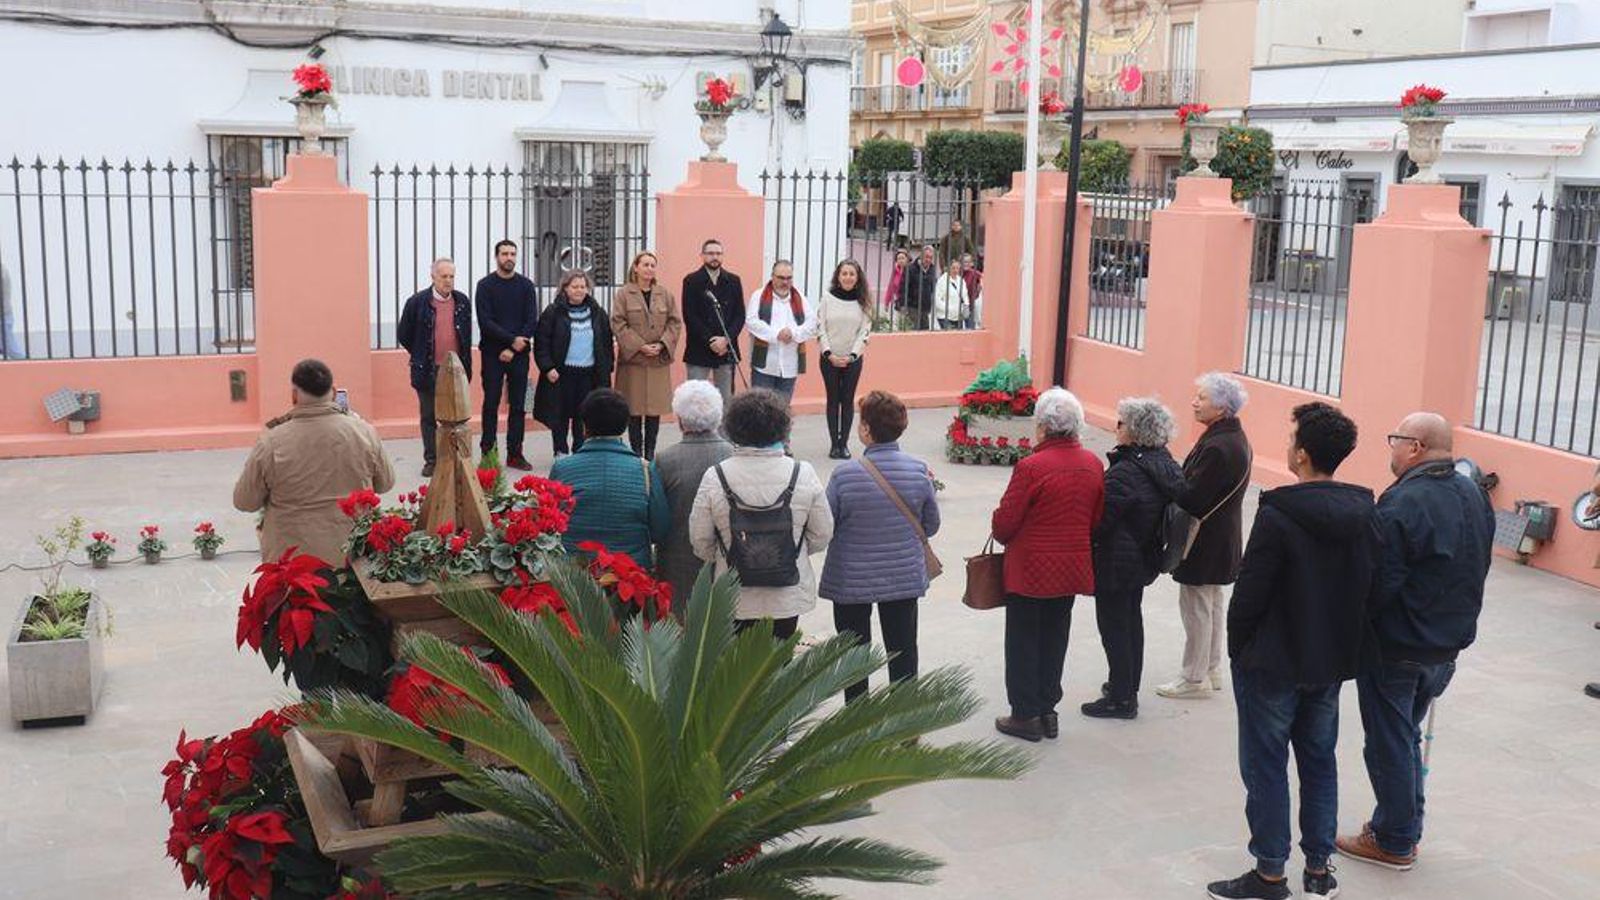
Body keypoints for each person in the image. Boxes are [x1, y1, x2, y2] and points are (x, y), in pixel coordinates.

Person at [1206, 402, 1378, 900]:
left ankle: (1270, 873)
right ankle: (1319, 870)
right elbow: (1378, 585)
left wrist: (1240, 649)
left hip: (1273, 664)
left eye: (1291, 438)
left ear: (1301, 454)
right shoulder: (1366, 511)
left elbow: (1250, 592)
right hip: (1327, 663)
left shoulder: (1279, 512)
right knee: (1319, 761)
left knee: (1265, 764)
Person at [1335, 412, 1495, 872]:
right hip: (1445, 644)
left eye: (1395, 440)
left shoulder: (1405, 501)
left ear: (1416, 447)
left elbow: (1379, 580)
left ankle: (1394, 839)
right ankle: (1401, 825)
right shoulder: (1472, 492)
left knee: (1388, 741)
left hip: (1401, 646)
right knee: (1402, 736)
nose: (1392, 449)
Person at [991, 388, 1105, 742]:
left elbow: (1004, 526)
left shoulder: (1031, 467)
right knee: (1056, 638)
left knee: (1024, 639)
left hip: (1030, 570)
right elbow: (1096, 517)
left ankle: (1025, 715)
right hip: (1071, 565)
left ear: (1042, 427)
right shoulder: (1092, 463)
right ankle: (1047, 710)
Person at [819, 390, 939, 702]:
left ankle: (857, 721)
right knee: (903, 650)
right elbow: (931, 525)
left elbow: (826, 525)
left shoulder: (844, 475)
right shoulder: (918, 470)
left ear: (865, 429)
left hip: (851, 580)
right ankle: (904, 721)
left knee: (854, 654)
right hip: (901, 577)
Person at [689, 389, 833, 639]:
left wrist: (727, 554)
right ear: (782, 428)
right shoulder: (803, 473)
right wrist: (791, 551)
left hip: (734, 592)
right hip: (786, 593)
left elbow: (700, 540)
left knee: (738, 669)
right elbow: (822, 533)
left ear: (733, 428)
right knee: (780, 663)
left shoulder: (716, 476)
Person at [233, 359, 395, 564]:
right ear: (334, 392)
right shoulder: (363, 432)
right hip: (353, 558)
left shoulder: (272, 441)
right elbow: (386, 483)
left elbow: (244, 501)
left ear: (294, 395)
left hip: (292, 565)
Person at [1082, 397, 1184, 720]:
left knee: (1114, 627)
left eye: (1121, 423)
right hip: (1142, 557)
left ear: (1136, 430)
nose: (1117, 428)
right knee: (1130, 622)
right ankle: (1125, 687)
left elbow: (1101, 520)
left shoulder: (1126, 472)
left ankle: (1121, 698)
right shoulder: (1162, 462)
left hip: (1117, 561)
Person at [1158, 372, 1253, 700]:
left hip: (1205, 539)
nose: (1194, 403)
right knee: (1211, 603)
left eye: (1202, 398)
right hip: (1220, 536)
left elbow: (1192, 497)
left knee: (1197, 605)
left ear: (1223, 407)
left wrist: (1168, 478)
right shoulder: (1232, 439)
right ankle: (1210, 668)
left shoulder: (1218, 446)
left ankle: (1193, 677)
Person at [549, 388, 669, 569]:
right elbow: (660, 529)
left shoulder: (562, 469)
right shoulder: (644, 470)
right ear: (625, 426)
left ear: (584, 426)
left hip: (575, 577)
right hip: (631, 575)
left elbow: (548, 525)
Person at [653, 381, 732, 613]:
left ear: (679, 420)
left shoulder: (664, 460)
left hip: (676, 562)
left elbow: (657, 519)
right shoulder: (733, 455)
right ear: (718, 416)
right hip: (726, 561)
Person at [397, 258, 473, 477]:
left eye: (451, 276)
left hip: (455, 369)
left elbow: (465, 336)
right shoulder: (417, 302)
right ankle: (432, 460)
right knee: (429, 416)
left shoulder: (462, 302)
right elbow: (404, 334)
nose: (448, 281)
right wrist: (421, 353)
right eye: (443, 276)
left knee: (457, 416)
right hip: (428, 369)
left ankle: (456, 457)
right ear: (433, 277)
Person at [532, 270, 614, 457]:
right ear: (565, 289)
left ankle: (580, 451)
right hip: (561, 374)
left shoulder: (597, 312)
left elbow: (606, 342)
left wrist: (606, 367)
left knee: (583, 416)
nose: (579, 290)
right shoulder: (553, 312)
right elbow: (541, 342)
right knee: (560, 415)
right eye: (574, 286)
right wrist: (547, 367)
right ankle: (560, 451)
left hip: (589, 374)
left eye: (583, 287)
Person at [474, 239, 538, 470]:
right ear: (496, 256)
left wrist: (514, 347)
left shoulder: (526, 286)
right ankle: (488, 454)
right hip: (493, 354)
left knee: (519, 405)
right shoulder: (485, 286)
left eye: (512, 253)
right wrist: (510, 341)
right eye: (504, 254)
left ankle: (515, 453)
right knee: (490, 404)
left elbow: (531, 319)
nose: (509, 257)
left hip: (519, 354)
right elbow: (485, 322)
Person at [611, 250, 682, 460]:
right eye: (645, 264)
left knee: (654, 410)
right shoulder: (624, 294)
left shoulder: (664, 294)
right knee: (633, 409)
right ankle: (635, 452)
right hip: (634, 361)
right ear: (636, 267)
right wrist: (640, 346)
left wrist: (662, 344)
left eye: (653, 265)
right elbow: (618, 322)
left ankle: (650, 452)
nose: (649, 268)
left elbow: (674, 322)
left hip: (657, 361)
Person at [680, 238, 746, 405]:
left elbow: (740, 315)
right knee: (696, 400)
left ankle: (723, 432)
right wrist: (711, 340)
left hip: (726, 350)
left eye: (718, 253)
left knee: (725, 400)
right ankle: (697, 431)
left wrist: (726, 340)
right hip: (700, 348)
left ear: (722, 256)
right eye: (710, 253)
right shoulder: (691, 281)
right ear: (702, 256)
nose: (714, 257)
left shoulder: (733, 280)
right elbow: (690, 315)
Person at [819, 259, 873, 459]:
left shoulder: (863, 301)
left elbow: (864, 332)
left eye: (852, 274)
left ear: (857, 278)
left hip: (853, 359)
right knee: (833, 400)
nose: (848, 277)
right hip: (829, 358)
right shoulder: (827, 298)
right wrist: (828, 354)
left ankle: (844, 444)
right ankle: (834, 444)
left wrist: (852, 356)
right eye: (844, 273)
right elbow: (820, 327)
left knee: (847, 400)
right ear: (838, 276)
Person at [745, 260, 817, 402]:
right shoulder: (758, 296)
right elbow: (751, 322)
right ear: (772, 276)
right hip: (764, 366)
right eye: (781, 278)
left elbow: (812, 323)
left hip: (789, 366)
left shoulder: (800, 298)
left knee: (782, 413)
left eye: (789, 278)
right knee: (760, 410)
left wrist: (793, 333)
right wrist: (776, 334)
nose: (785, 282)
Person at [899, 244, 939, 331]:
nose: (928, 260)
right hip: (912, 306)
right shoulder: (910, 269)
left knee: (925, 332)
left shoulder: (932, 269)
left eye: (930, 258)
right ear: (921, 255)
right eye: (926, 257)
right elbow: (903, 287)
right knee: (914, 332)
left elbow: (933, 286)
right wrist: (903, 304)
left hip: (925, 308)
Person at [931, 259, 969, 331]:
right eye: (953, 268)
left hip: (958, 316)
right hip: (945, 316)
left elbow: (965, 295)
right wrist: (948, 309)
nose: (955, 270)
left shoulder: (961, 280)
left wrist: (966, 306)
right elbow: (937, 299)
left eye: (957, 268)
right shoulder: (942, 281)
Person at [1, 261, 26, 359]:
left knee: (14, 351)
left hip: (3, 318)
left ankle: (30, 368)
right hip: (5, 316)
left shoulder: (2, 272)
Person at [883, 247, 910, 315]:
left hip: (910, 302)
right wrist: (886, 302)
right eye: (899, 258)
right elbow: (890, 288)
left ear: (907, 259)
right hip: (899, 301)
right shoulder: (895, 271)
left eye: (903, 258)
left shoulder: (911, 270)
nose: (901, 260)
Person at [960, 252, 983, 329]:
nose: (965, 264)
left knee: (970, 327)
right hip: (958, 305)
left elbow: (983, 278)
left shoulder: (974, 273)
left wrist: (979, 287)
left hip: (971, 305)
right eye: (963, 262)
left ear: (972, 264)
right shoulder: (958, 273)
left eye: (967, 262)